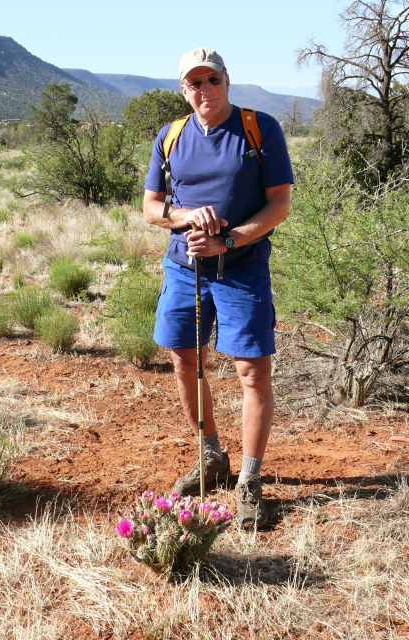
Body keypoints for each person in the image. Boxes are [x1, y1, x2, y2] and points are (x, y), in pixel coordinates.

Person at [143, 47, 293, 529]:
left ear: (227, 81)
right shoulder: (171, 136)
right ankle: (212, 458)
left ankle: (249, 480)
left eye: (211, 80)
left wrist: (227, 238)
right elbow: (151, 208)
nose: (203, 90)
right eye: (194, 83)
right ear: (183, 90)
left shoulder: (259, 127)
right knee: (186, 360)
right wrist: (188, 217)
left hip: (242, 270)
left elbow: (278, 206)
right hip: (184, 269)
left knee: (251, 372)